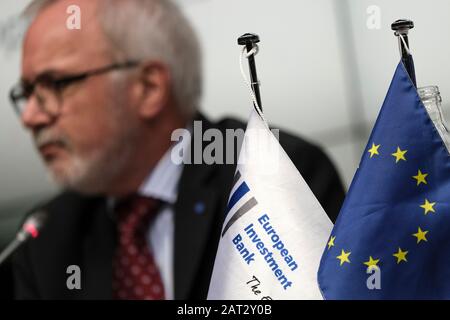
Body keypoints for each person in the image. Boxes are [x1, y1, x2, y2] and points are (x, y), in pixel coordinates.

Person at [10, 0, 345, 299]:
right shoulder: (45, 238)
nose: (30, 117)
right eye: (26, 93)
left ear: (149, 88)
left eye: (55, 84)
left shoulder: (273, 172)